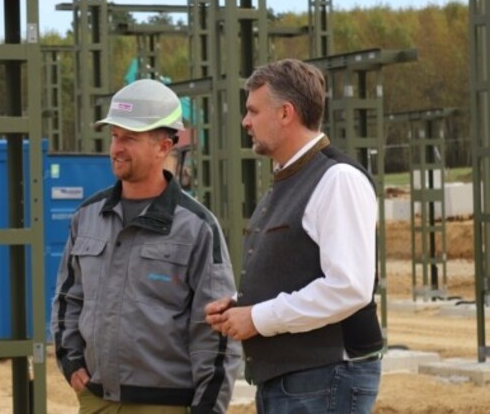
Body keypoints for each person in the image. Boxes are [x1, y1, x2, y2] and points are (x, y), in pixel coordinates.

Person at [51, 79, 241, 413]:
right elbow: (69, 298)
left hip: (165, 405)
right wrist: (71, 360)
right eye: (114, 136)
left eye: (130, 138)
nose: (116, 148)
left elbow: (215, 331)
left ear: (163, 146)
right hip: (98, 401)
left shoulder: (196, 227)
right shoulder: (88, 216)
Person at [205, 58, 384, 413]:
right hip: (298, 381)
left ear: (286, 113)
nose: (246, 122)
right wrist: (242, 307)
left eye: (253, 111)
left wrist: (258, 318)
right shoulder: (290, 178)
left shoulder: (337, 180)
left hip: (324, 379)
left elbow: (349, 287)